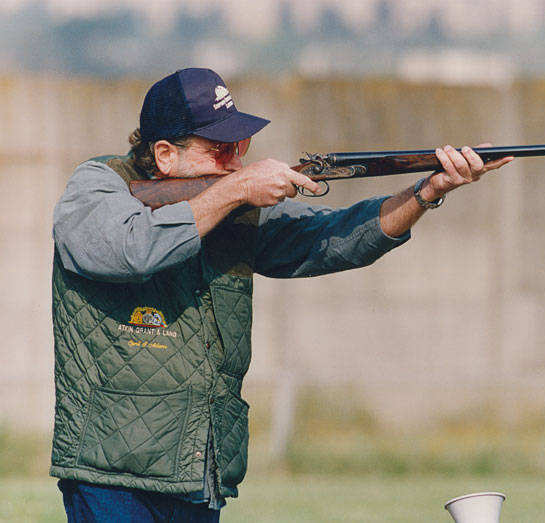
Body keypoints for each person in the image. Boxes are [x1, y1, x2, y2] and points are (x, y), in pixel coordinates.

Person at [50, 67, 513, 522]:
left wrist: (429, 190)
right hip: (110, 470)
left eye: (241, 147)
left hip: (197, 467)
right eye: (221, 148)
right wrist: (236, 191)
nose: (236, 160)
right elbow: (129, 250)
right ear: (166, 154)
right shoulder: (98, 185)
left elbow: (334, 240)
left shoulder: (231, 208)